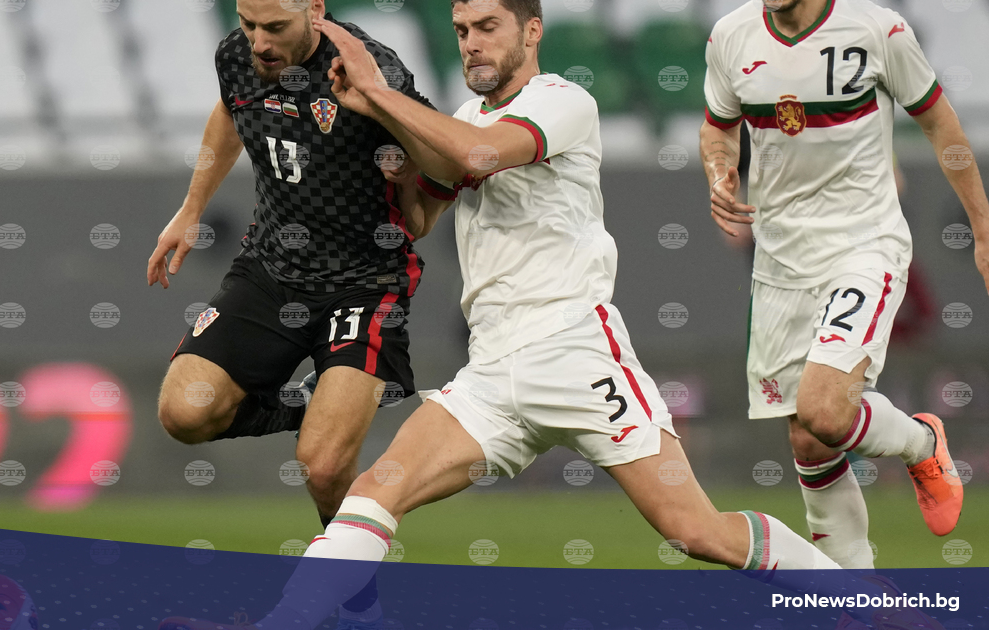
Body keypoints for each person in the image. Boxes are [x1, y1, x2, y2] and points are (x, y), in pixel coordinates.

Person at [160, 1, 942, 628]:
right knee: (371, 494)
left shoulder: (563, 102)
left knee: (696, 531)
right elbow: (421, 212)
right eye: (461, 29)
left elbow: (475, 156)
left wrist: (380, 96)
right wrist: (378, 150)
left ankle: (867, 604)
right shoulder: (459, 116)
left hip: (578, 355)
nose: (472, 42)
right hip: (491, 374)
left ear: (531, 31)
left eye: (488, 26)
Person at [146, 0, 433, 623]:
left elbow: (434, 164)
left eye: (274, 27)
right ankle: (311, 404)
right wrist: (191, 209)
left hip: (365, 282)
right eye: (248, 24)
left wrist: (396, 145)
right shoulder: (238, 56)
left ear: (315, 11)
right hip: (271, 270)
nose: (258, 42)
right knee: (183, 413)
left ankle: (358, 604)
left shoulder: (372, 68)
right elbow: (230, 111)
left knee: (324, 468)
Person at [700, 0, 987, 569]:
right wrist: (720, 172)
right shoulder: (730, 36)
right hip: (780, 262)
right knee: (810, 440)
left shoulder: (878, 29)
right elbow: (717, 127)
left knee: (827, 412)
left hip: (863, 245)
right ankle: (855, 596)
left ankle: (921, 442)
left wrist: (982, 228)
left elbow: (940, 123)